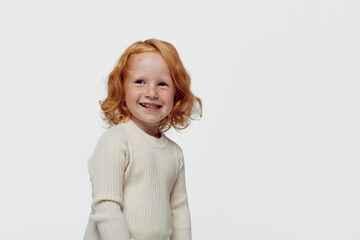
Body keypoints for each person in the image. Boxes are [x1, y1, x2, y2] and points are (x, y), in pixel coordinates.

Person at [83, 39, 202, 240]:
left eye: (163, 84)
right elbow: (106, 206)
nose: (151, 93)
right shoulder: (115, 141)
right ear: (121, 87)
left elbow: (179, 212)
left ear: (177, 94)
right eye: (140, 81)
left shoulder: (174, 154)